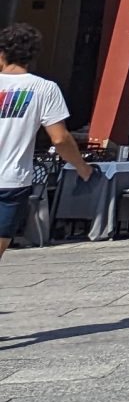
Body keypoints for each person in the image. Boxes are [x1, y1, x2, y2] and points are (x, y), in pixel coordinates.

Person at [1, 24, 92, 264]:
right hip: (11, 181)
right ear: (32, 56)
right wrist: (81, 166)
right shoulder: (44, 88)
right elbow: (60, 138)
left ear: (2, 53)